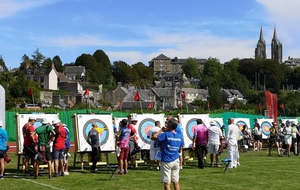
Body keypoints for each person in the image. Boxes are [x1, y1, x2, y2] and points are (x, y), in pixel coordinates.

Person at [152, 118, 184, 190]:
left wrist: (161, 130)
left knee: (167, 182)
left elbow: (153, 137)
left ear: (169, 126)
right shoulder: (179, 136)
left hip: (166, 160)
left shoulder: (165, 134)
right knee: (176, 182)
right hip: (176, 160)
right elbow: (180, 148)